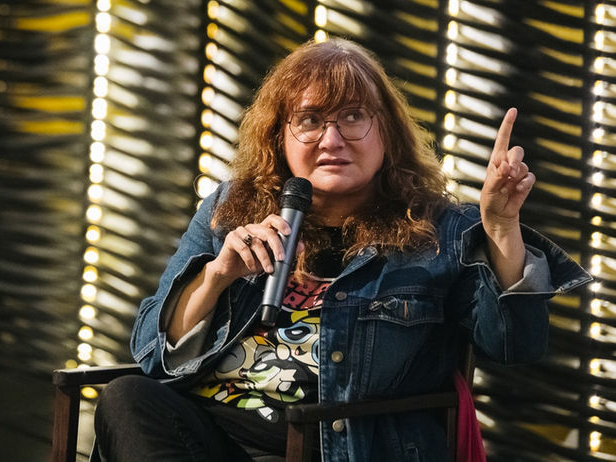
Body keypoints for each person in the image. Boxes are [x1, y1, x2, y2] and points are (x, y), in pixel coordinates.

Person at [92, 37, 590, 462]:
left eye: (353, 116)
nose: (332, 139)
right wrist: (217, 275)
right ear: (279, 135)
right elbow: (153, 355)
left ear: (387, 133)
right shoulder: (230, 206)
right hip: (209, 434)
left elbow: (515, 346)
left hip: (334, 441)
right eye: (309, 120)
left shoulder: (442, 229)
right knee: (127, 397)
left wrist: (502, 228)